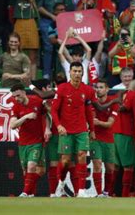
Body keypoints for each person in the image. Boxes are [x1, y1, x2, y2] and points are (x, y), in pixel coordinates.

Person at [50, 62, 96, 198]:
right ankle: (61, 182)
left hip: (81, 130)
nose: (77, 74)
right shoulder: (62, 89)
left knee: (82, 156)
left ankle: (81, 191)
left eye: (79, 71)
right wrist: (58, 126)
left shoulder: (87, 90)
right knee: (65, 160)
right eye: (74, 71)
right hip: (66, 131)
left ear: (83, 73)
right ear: (69, 72)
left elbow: (89, 111)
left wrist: (92, 129)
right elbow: (53, 110)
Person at [10, 83, 50, 197]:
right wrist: (25, 117)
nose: (16, 98)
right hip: (23, 142)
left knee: (32, 166)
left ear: (23, 92)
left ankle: (25, 192)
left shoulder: (37, 101)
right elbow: (12, 125)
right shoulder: (16, 107)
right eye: (14, 97)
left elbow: (47, 115)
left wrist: (47, 128)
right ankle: (31, 193)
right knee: (31, 171)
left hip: (37, 141)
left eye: (18, 95)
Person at [90, 79, 118, 197]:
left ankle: (106, 192)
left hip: (108, 140)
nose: (98, 89)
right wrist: (97, 122)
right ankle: (99, 193)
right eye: (97, 87)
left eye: (101, 87)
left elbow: (109, 124)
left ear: (107, 89)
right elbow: (92, 120)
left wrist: (98, 122)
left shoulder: (113, 104)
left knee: (110, 168)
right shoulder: (91, 103)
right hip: (95, 138)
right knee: (97, 165)